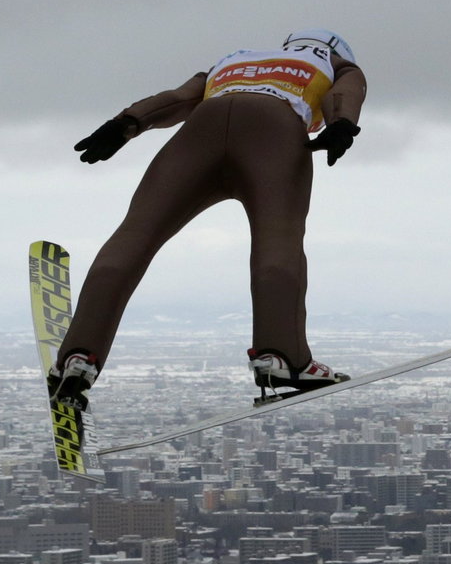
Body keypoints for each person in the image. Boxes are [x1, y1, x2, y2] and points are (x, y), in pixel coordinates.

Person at [51, 29, 367, 413]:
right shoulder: (337, 65)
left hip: (202, 129)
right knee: (277, 241)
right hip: (274, 130)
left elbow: (177, 99)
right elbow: (344, 94)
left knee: (135, 234)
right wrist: (342, 124)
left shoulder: (234, 58)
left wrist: (125, 124)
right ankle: (282, 358)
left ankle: (78, 357)